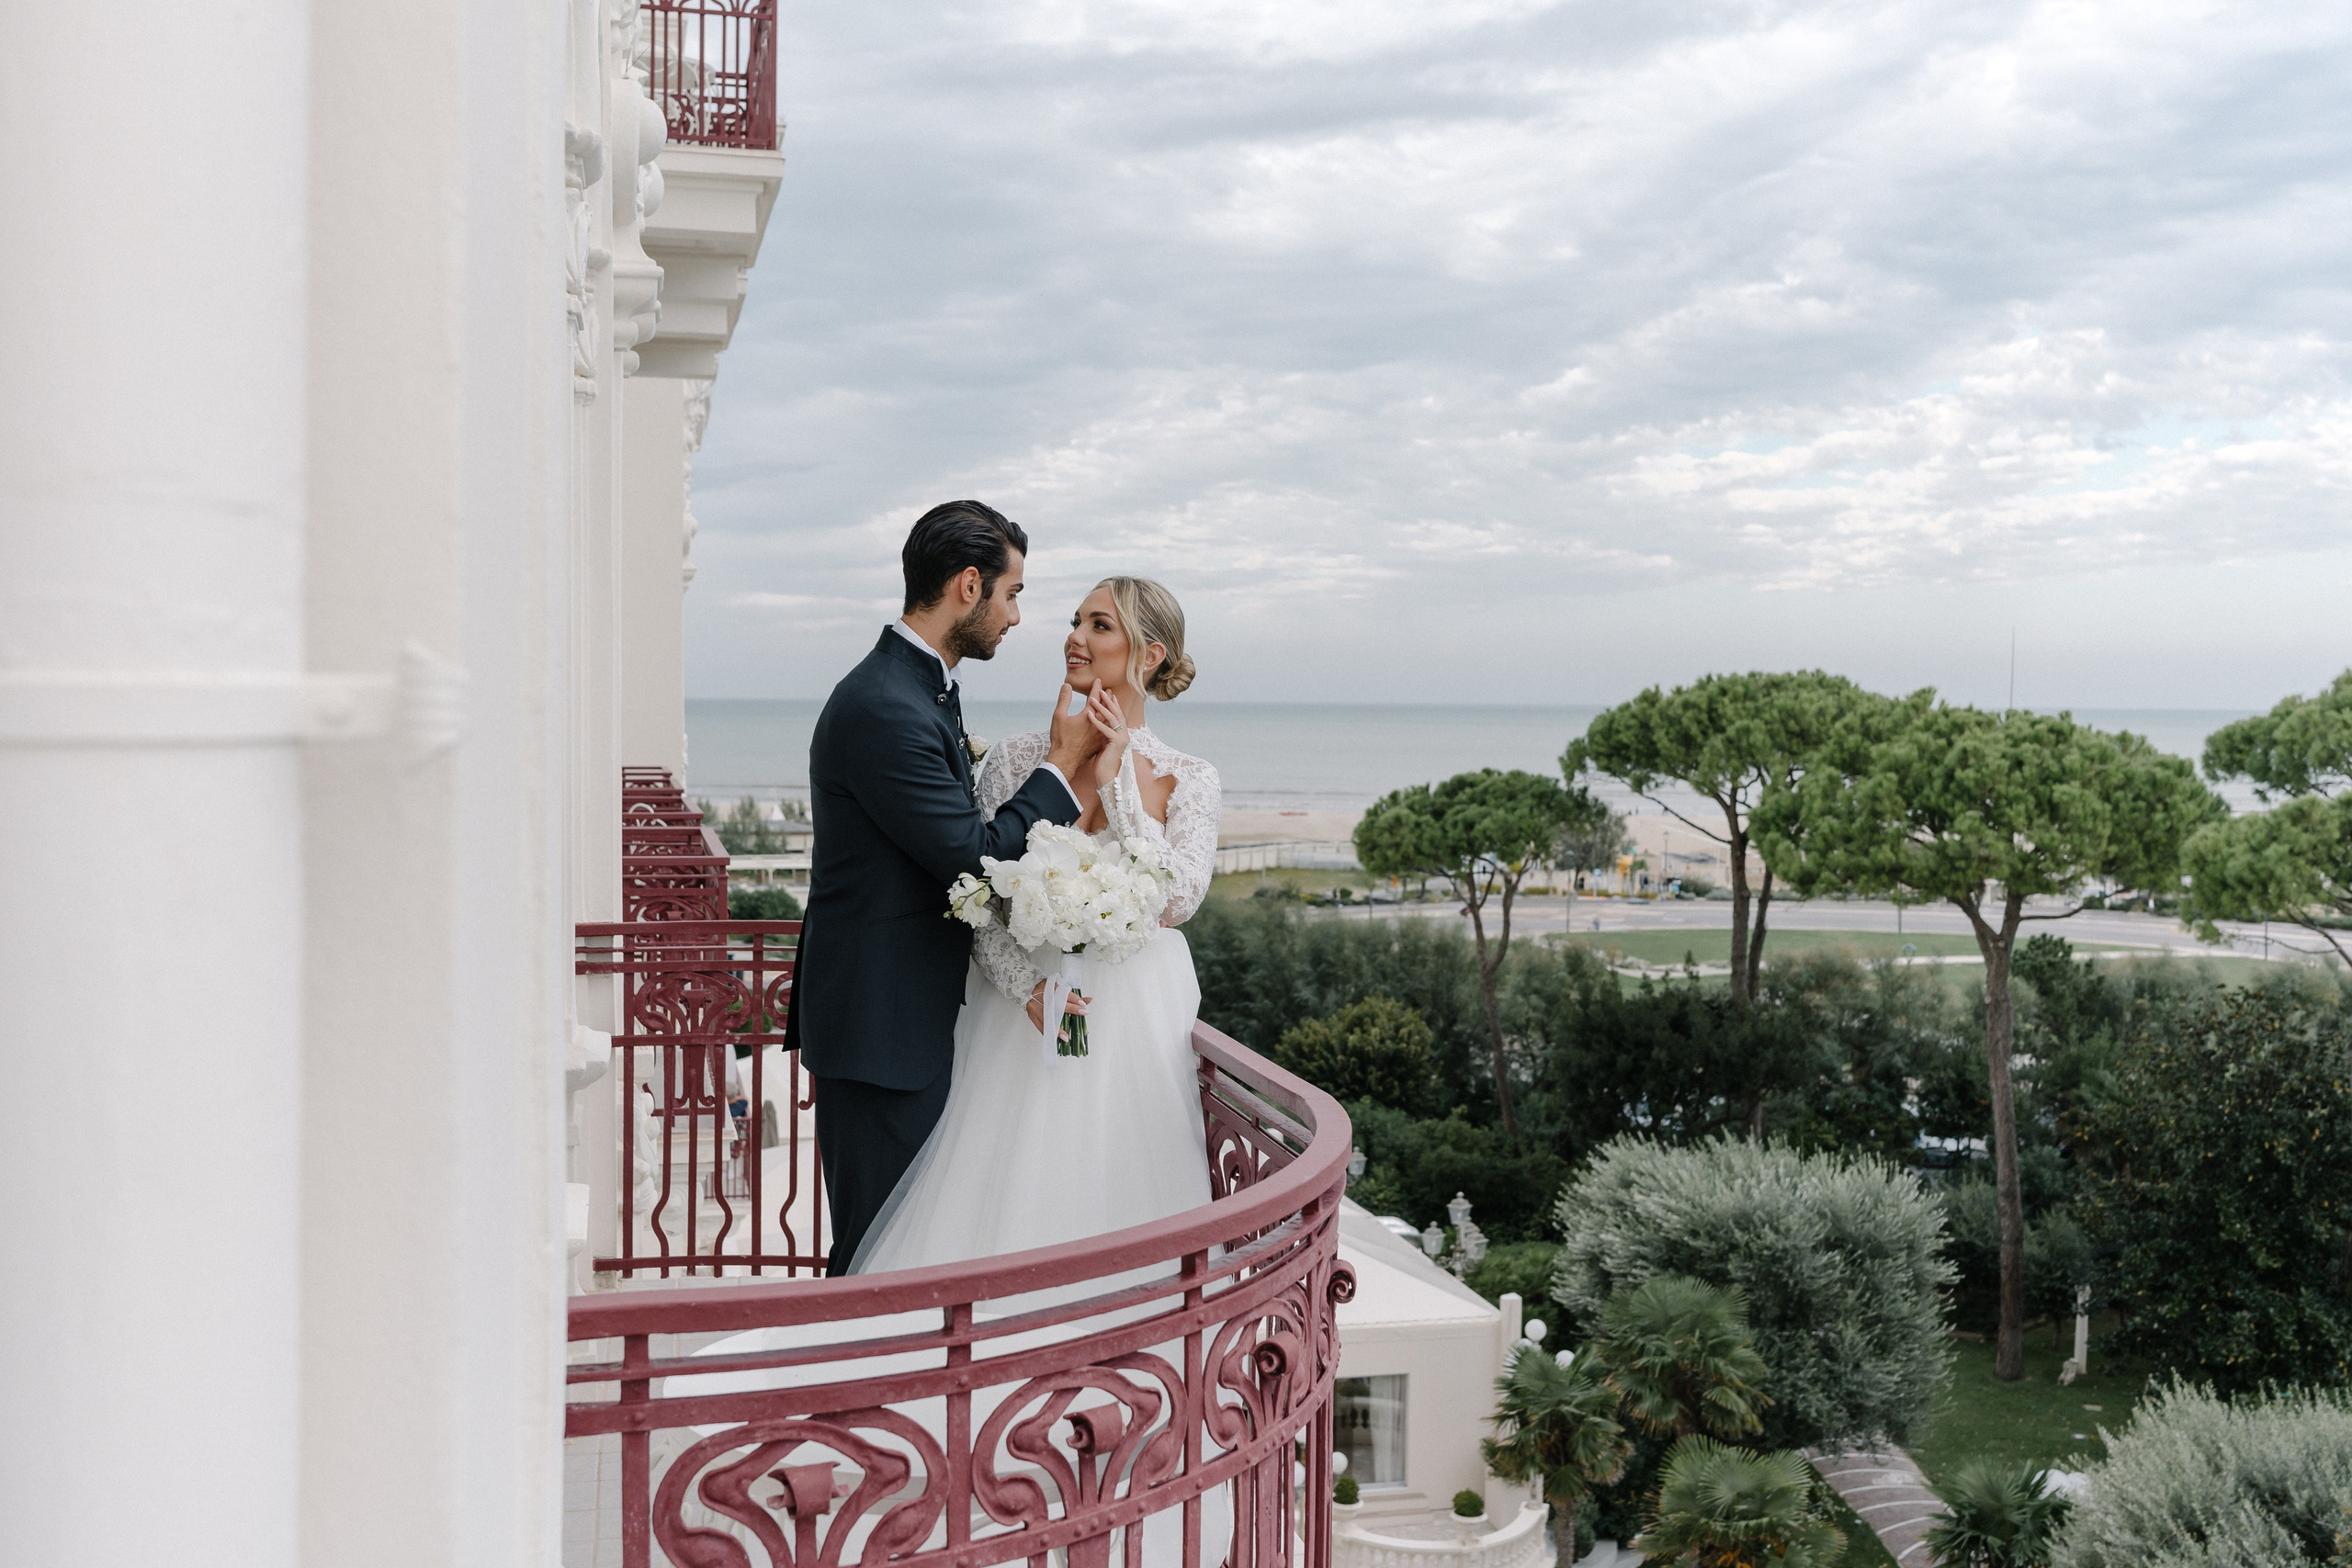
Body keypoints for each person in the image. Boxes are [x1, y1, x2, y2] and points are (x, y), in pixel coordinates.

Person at [849, 575, 1221, 1276]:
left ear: (1149, 655)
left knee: (1116, 1199)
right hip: (1017, 1028)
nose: (1074, 637)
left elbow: (1178, 899)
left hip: (1130, 1034)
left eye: (1100, 625)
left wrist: (1116, 781)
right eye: (1076, 620)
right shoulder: (1020, 758)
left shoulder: (1190, 777)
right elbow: (978, 893)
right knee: (1007, 1202)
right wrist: (1029, 991)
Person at [786, 500, 1115, 1274]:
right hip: (879, 1028)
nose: (1017, 616)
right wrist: (1062, 763)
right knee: (876, 1255)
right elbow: (974, 859)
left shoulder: (919, 688)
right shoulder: (885, 705)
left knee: (906, 1248)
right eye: (1012, 594)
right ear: (969, 585)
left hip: (902, 1019)